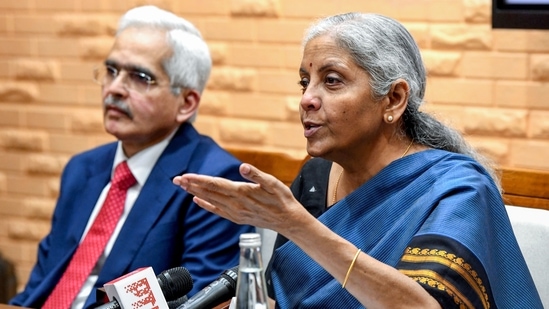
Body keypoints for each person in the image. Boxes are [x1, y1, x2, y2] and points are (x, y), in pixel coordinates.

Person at [173, 12, 544, 309]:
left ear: (395, 99)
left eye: (332, 81)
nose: (307, 99)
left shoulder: (456, 190)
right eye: (305, 82)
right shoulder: (317, 177)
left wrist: (299, 225)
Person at [10, 5, 254, 309]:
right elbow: (40, 286)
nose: (114, 89)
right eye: (111, 71)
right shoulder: (82, 169)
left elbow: (199, 299)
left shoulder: (210, 181)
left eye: (140, 77)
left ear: (186, 103)